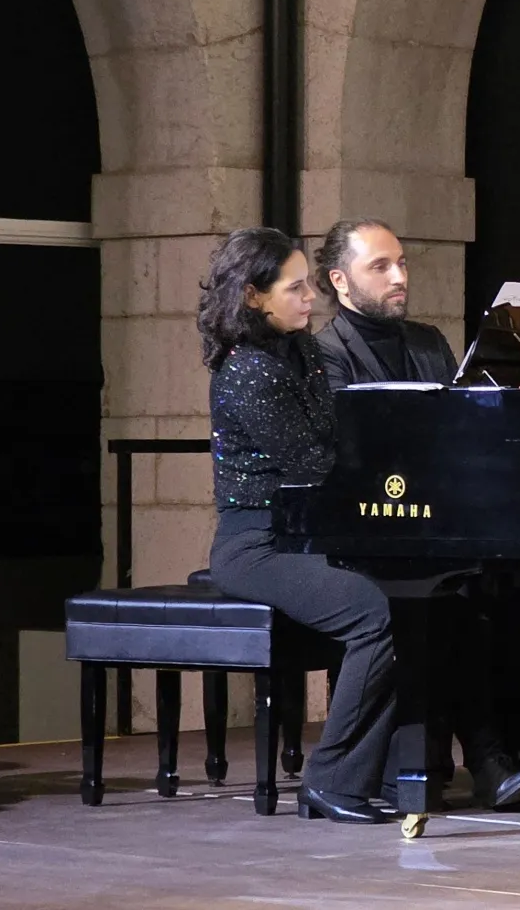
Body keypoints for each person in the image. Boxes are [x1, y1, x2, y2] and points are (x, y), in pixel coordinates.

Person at [311, 216, 520, 809]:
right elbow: (350, 455)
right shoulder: (325, 352)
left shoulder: (428, 343)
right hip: (367, 527)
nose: (400, 276)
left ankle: (517, 748)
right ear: (340, 281)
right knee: (452, 601)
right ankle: (486, 760)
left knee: (514, 587)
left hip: (431, 518)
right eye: (380, 267)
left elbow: (458, 434)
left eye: (402, 263)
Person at [196, 226, 397, 824]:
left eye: (309, 284)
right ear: (254, 296)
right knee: (373, 611)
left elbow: (333, 437)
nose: (310, 297)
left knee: (410, 602)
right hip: (256, 545)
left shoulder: (301, 350)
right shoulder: (247, 370)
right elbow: (312, 461)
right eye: (295, 287)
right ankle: (332, 780)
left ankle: (389, 773)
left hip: (307, 535)